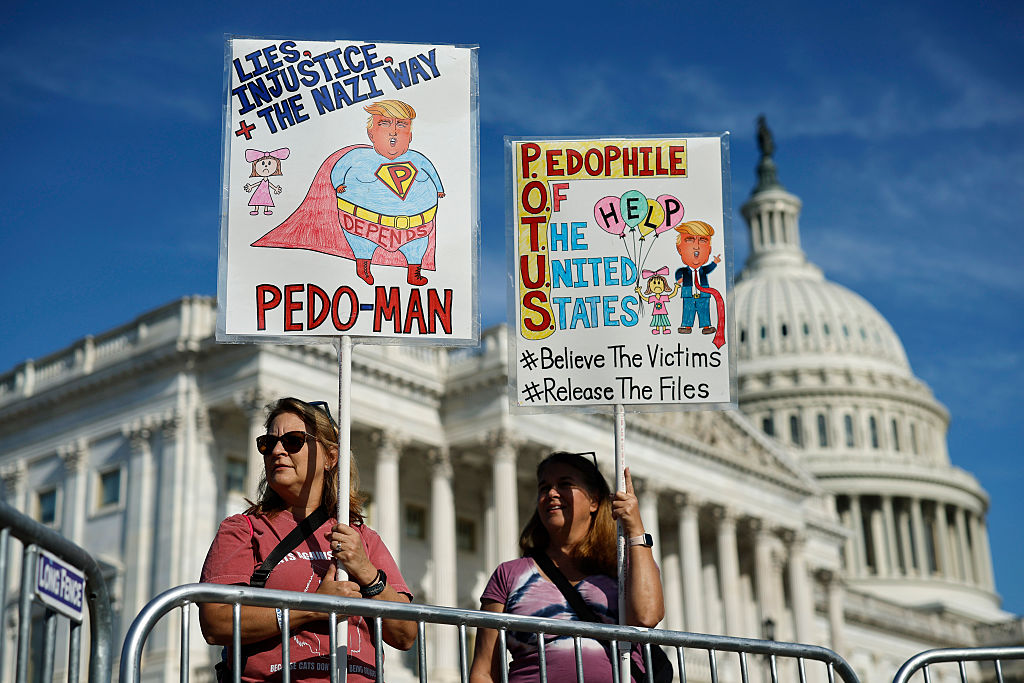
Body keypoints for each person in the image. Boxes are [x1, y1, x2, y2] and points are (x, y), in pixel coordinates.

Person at [199, 397, 415, 682]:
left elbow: (406, 635)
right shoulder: (244, 529)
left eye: (293, 441)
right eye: (268, 443)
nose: (277, 450)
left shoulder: (360, 537)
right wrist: (313, 607)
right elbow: (216, 622)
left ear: (330, 457)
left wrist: (366, 571)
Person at [469, 452, 664, 683]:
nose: (551, 493)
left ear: (594, 500)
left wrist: (635, 529)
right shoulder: (509, 574)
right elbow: (484, 671)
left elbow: (647, 617)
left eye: (565, 484)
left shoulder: (623, 567)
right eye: (544, 488)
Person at [252, 100, 444, 287]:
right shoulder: (356, 157)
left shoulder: (418, 159)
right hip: (364, 224)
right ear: (371, 133)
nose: (393, 131)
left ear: (409, 135)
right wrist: (338, 185)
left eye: (401, 125)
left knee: (416, 248)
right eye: (384, 124)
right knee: (363, 245)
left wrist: (439, 189)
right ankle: (363, 266)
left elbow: (433, 175)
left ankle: (414, 271)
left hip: (416, 227)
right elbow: (338, 171)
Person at [673, 220, 722, 336]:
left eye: (702, 241)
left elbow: (709, 268)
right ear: (679, 249)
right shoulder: (684, 271)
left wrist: (715, 262)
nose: (696, 247)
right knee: (688, 310)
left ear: (709, 250)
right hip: (688, 293)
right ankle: (686, 326)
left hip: (703, 293)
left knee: (704, 310)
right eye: (689, 240)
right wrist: (679, 279)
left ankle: (706, 326)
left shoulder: (703, 270)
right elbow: (678, 273)